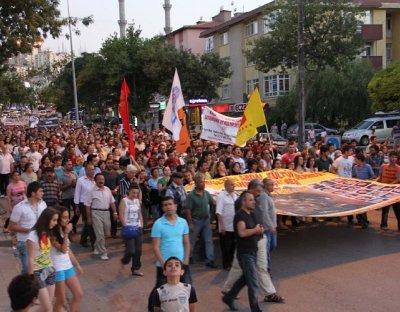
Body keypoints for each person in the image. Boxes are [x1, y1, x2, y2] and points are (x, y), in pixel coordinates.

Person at [222, 191, 264, 312]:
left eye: (253, 200)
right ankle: (255, 308)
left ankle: (229, 298)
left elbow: (258, 228)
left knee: (246, 278)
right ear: (243, 202)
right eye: (250, 200)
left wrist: (259, 231)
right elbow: (242, 232)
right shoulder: (240, 216)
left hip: (253, 251)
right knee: (253, 281)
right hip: (245, 253)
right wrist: (256, 230)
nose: (253, 202)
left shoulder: (251, 214)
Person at [149, 196, 191, 311]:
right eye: (165, 205)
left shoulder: (183, 222)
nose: (168, 207)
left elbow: (186, 242)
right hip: (164, 265)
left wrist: (186, 258)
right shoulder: (158, 224)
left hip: (181, 264)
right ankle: (152, 308)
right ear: (162, 208)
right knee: (160, 290)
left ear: (176, 206)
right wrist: (163, 264)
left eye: (170, 204)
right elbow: (156, 247)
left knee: (186, 289)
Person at [9, 182, 47, 274]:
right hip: (25, 241)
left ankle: (40, 287)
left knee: (44, 268)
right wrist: (29, 230)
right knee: (27, 269)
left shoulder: (43, 204)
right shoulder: (19, 207)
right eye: (41, 191)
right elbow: (12, 226)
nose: (43, 193)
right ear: (33, 193)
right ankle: (26, 286)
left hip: (43, 240)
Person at [51, 206, 83, 312]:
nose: (68, 220)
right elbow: (63, 249)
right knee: (60, 300)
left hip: (67, 266)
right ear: (58, 219)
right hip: (57, 268)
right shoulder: (52, 234)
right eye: (64, 217)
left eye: (68, 217)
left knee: (78, 294)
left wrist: (77, 265)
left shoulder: (64, 230)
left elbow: (68, 250)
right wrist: (65, 233)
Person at [26, 207, 59, 312]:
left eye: (56, 220)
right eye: (54, 220)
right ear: (46, 219)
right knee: (47, 307)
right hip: (37, 272)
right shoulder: (32, 236)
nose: (55, 223)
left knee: (48, 307)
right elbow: (30, 257)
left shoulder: (48, 233)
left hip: (49, 270)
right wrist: (31, 277)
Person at [186, 174, 217, 268]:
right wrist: (190, 223)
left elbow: (213, 203)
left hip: (206, 220)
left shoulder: (206, 193)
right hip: (196, 221)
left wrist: (213, 214)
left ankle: (210, 259)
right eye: (201, 182)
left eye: (204, 182)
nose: (203, 184)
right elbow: (188, 210)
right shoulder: (191, 196)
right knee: (192, 240)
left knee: (208, 240)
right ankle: (189, 256)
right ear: (196, 183)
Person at [85, 172, 118, 260]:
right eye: (99, 179)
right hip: (96, 213)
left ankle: (96, 246)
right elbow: (87, 205)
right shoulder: (91, 191)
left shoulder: (107, 189)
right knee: (100, 234)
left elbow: (112, 202)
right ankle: (103, 253)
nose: (101, 181)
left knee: (107, 233)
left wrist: (115, 212)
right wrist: (89, 218)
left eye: (102, 179)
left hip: (106, 213)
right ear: (95, 181)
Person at [119, 185, 144, 276]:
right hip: (128, 229)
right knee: (131, 250)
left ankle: (135, 269)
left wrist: (141, 224)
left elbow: (139, 213)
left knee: (138, 250)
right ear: (128, 191)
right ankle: (124, 261)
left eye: (137, 193)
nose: (135, 194)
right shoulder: (124, 201)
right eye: (133, 192)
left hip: (137, 228)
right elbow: (121, 214)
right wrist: (125, 225)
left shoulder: (137, 201)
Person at [73, 163, 96, 248]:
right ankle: (94, 242)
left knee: (88, 223)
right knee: (89, 223)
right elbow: (77, 193)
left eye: (93, 169)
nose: (93, 171)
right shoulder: (81, 180)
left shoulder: (95, 180)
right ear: (86, 171)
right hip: (83, 204)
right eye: (91, 169)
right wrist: (77, 206)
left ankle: (83, 240)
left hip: (93, 204)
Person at [216, 179, 237, 270]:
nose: (234, 186)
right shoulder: (221, 196)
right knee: (226, 247)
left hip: (234, 226)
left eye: (234, 184)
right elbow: (218, 212)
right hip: (226, 227)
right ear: (226, 186)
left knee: (233, 246)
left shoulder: (235, 195)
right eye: (232, 184)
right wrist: (222, 226)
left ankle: (231, 262)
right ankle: (226, 265)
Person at [330, 145, 354, 224]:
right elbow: (331, 169)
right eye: (350, 151)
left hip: (349, 183)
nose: (351, 152)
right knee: (340, 200)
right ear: (346, 151)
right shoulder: (339, 160)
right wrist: (338, 176)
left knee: (349, 201)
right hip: (341, 184)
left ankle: (350, 218)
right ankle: (338, 214)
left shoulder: (351, 159)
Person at [377, 151, 400, 230]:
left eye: (395, 157)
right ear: (389, 157)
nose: (393, 159)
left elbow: (398, 179)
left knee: (397, 210)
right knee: (385, 209)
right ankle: (383, 225)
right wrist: (374, 182)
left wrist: (390, 185)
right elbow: (380, 177)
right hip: (384, 191)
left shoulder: (398, 168)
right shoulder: (383, 166)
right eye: (392, 157)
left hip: (394, 192)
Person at [259, 178, 278, 273]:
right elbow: (264, 212)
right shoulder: (263, 196)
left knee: (272, 245)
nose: (273, 186)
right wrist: (270, 225)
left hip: (272, 226)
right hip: (267, 228)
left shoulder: (268, 195)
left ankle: (263, 262)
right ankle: (266, 269)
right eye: (271, 184)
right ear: (266, 186)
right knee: (267, 248)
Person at [352, 154, 375, 229]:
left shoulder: (368, 166)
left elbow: (373, 176)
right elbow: (354, 176)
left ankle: (364, 222)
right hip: (357, 188)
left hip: (366, 188)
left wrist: (367, 181)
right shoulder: (355, 167)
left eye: (356, 159)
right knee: (357, 205)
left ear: (359, 160)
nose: (355, 161)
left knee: (362, 206)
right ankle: (360, 220)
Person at [58, 159, 78, 228]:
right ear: (64, 166)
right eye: (68, 164)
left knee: (77, 213)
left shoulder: (74, 173)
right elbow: (60, 188)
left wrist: (75, 184)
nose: (70, 166)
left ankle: (72, 224)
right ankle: (67, 228)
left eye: (71, 164)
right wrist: (69, 184)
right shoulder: (61, 176)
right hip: (65, 197)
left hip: (75, 196)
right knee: (67, 214)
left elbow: (78, 184)